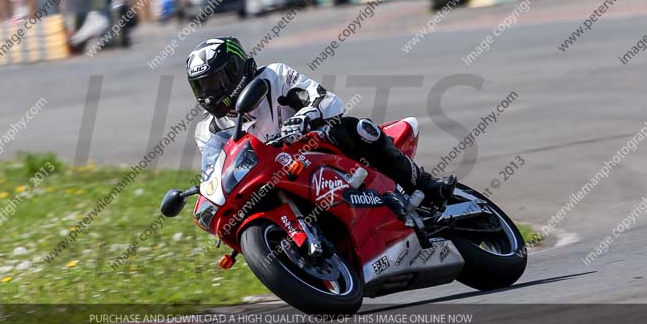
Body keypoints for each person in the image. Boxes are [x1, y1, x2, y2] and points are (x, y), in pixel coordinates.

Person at [186, 37, 456, 208]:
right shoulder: (208, 131)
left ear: (236, 69)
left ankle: (424, 185)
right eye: (202, 87)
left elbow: (327, 101)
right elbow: (215, 172)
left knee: (356, 128)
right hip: (274, 178)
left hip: (317, 150)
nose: (210, 93)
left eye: (216, 82)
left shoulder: (274, 77)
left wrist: (304, 119)